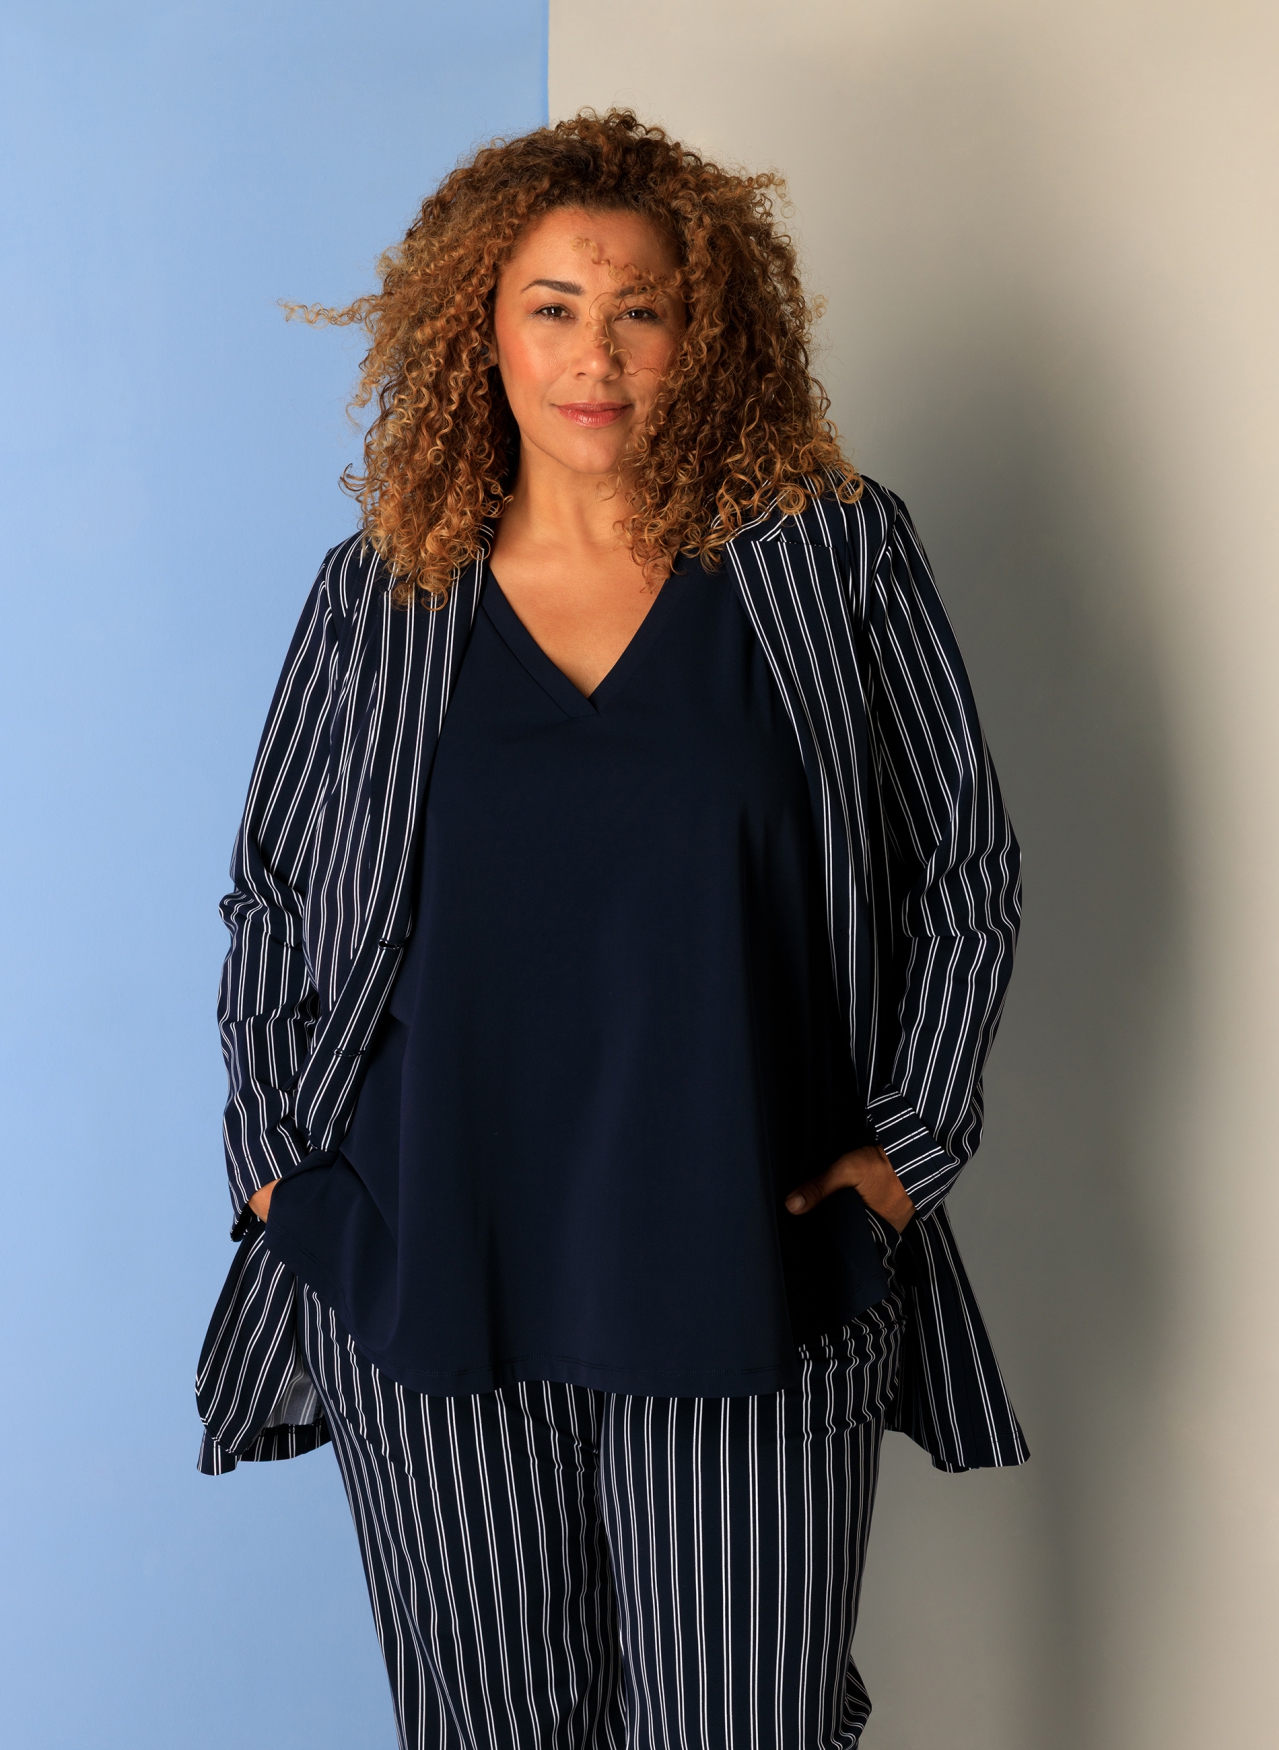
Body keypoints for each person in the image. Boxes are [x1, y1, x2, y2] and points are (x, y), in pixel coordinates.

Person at [196, 109, 1026, 1750]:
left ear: (702, 331)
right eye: (555, 307)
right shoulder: (383, 594)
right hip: (428, 1279)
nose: (597, 356)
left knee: (747, 1722)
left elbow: (964, 861)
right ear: (480, 329)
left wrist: (909, 1147)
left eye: (640, 309)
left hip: (753, 1269)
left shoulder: (828, 559)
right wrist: (281, 1164)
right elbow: (274, 890)